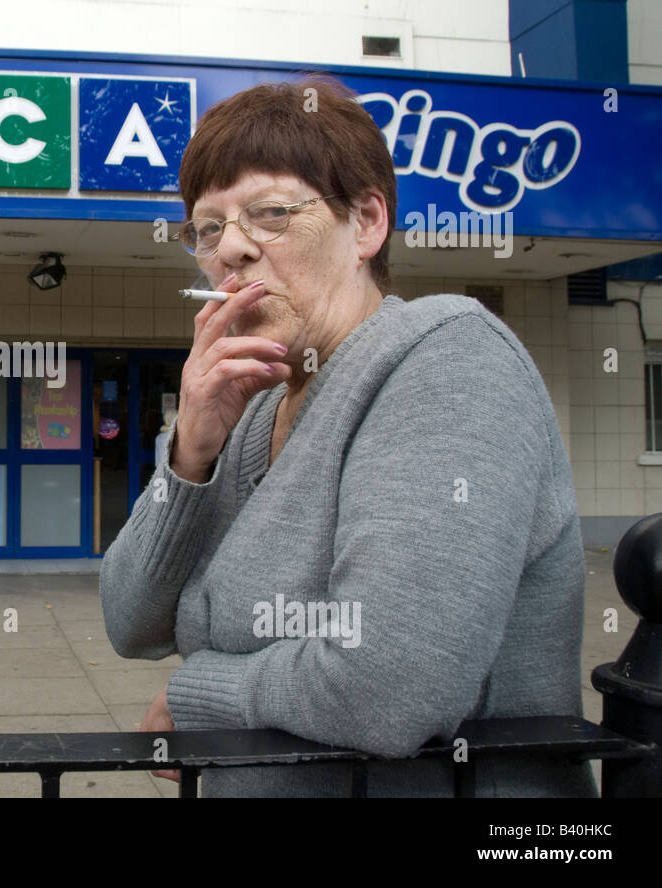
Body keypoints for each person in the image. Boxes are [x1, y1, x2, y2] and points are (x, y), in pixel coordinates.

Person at [100, 77, 595, 797]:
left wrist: (196, 696)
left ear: (366, 224)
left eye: (270, 213)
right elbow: (129, 623)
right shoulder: (256, 409)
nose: (230, 249)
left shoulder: (448, 359)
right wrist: (189, 454)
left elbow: (391, 683)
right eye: (207, 228)